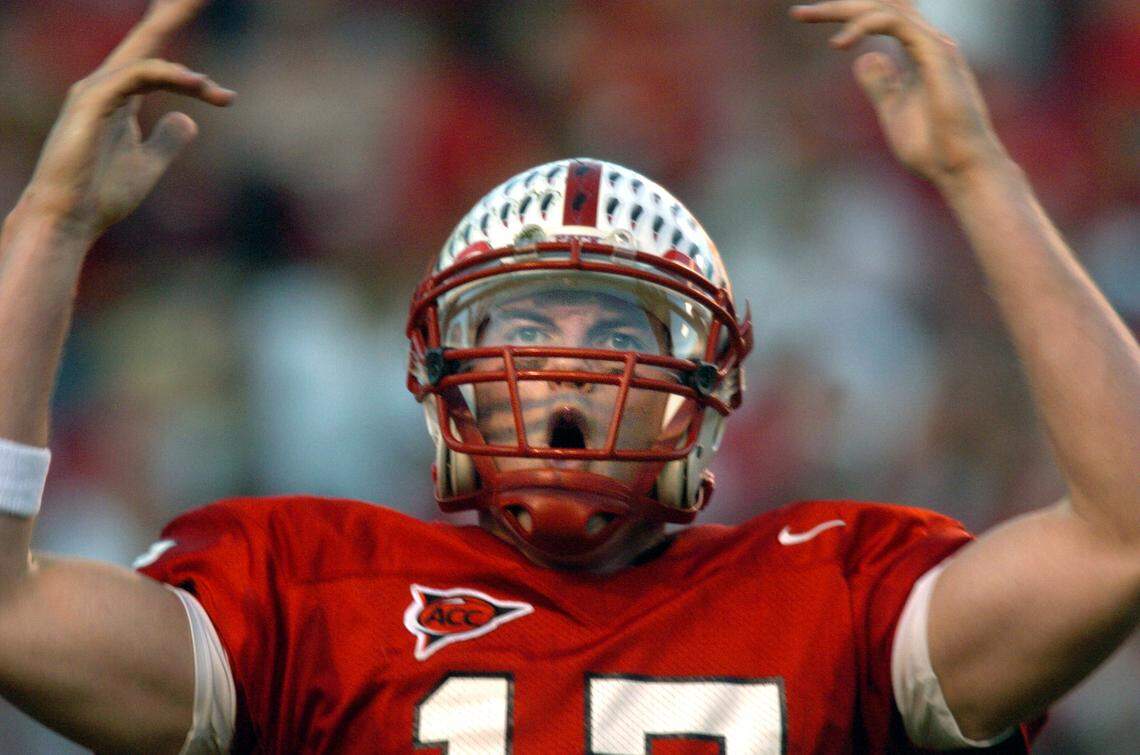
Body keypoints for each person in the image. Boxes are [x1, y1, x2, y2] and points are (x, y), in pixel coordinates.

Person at [0, 0, 1136, 752]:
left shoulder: (838, 592)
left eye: (618, 330)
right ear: (445, 375)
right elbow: (11, 612)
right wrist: (51, 227)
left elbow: (1123, 534)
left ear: (708, 384)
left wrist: (981, 176)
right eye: (526, 323)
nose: (569, 364)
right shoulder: (308, 591)